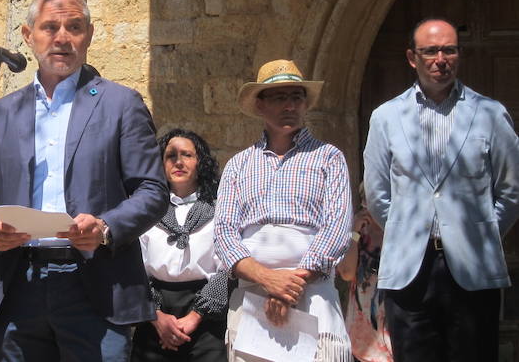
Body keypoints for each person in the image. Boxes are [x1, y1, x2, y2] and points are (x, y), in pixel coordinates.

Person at [0, 0, 169, 361]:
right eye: (50, 27)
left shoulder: (120, 104)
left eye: (74, 27)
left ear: (88, 35)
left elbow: (152, 190)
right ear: (28, 36)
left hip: (95, 283)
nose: (62, 37)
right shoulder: (1, 113)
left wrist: (106, 227)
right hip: (18, 285)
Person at [363, 18, 519, 362]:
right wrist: (407, 231)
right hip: (411, 269)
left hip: (473, 268)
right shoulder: (386, 117)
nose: (441, 59)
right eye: (431, 51)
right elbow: (377, 194)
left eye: (449, 50)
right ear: (412, 57)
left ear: (459, 55)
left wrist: (482, 231)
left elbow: (511, 190)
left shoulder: (490, 114)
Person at [215, 59, 352, 362]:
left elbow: (337, 228)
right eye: (279, 97)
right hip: (252, 298)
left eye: (296, 97)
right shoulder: (238, 165)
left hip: (313, 294)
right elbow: (224, 233)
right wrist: (267, 279)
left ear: (305, 104)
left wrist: (290, 286)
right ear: (260, 105)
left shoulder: (328, 158)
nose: (289, 105)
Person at [131, 128, 228, 362]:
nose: (178, 162)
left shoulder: (220, 210)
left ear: (200, 162)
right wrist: (158, 318)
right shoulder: (146, 212)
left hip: (206, 316)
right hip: (155, 315)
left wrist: (195, 316)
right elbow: (134, 268)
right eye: (170, 156)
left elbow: (227, 267)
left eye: (187, 155)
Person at [336, 184, 391, 362]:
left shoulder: (399, 229)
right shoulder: (360, 231)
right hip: (364, 333)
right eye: (365, 200)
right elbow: (346, 273)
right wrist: (354, 233)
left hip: (394, 326)